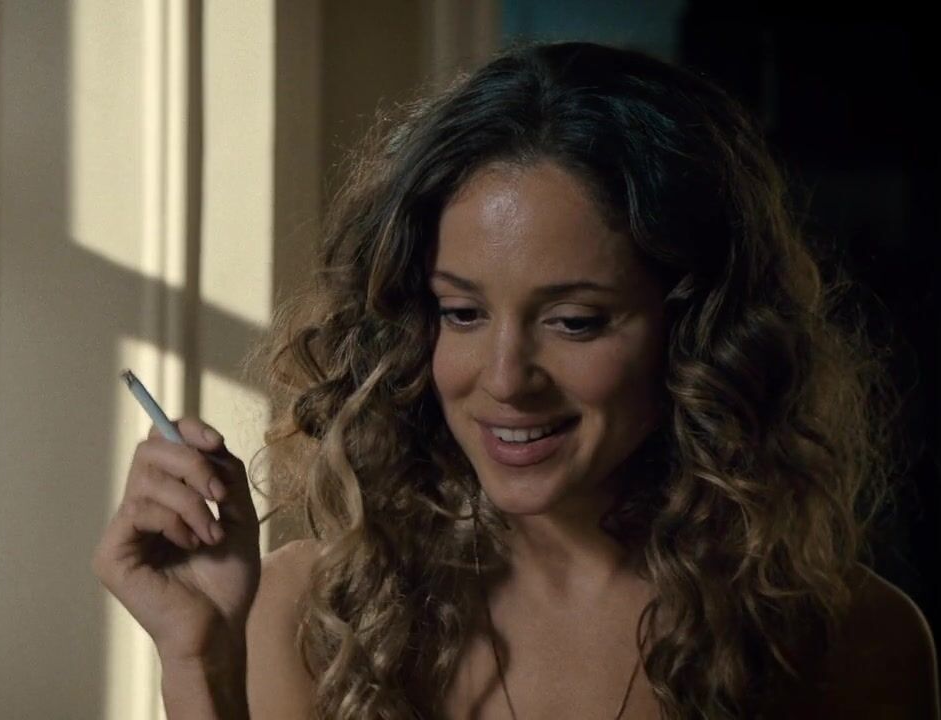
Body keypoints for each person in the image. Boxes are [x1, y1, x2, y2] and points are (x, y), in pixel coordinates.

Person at [93, 41, 940, 719]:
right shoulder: (305, 614)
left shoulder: (850, 640)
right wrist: (198, 661)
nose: (503, 380)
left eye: (573, 321)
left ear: (698, 332)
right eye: (462, 313)